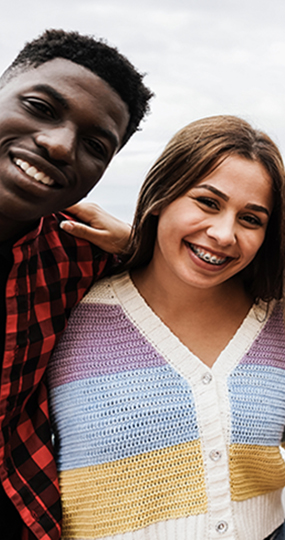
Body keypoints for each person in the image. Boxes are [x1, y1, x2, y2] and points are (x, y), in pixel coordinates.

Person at [47, 115, 285, 540]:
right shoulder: (70, 312)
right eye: (207, 202)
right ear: (160, 195)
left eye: (251, 219)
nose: (224, 234)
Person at [0, 29, 152, 540]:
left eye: (94, 144)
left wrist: (139, 245)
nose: (59, 144)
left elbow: (204, 281)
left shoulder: (76, 255)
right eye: (41, 107)